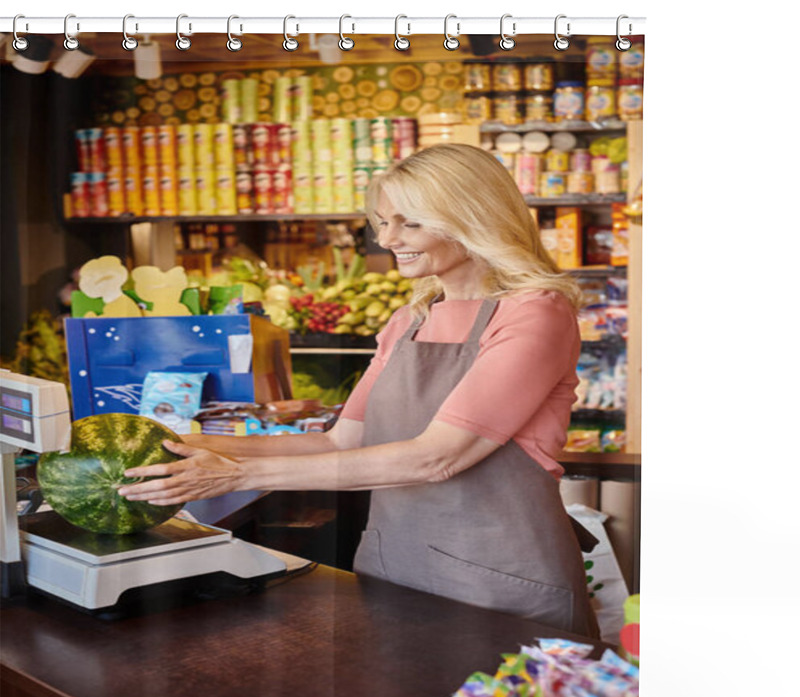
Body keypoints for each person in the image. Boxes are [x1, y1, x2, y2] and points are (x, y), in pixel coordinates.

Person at [119, 143, 598, 637]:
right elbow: (340, 441)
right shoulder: (409, 320)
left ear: (474, 219)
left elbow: (437, 458)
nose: (388, 238)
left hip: (499, 582)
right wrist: (190, 445)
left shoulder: (535, 313)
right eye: (383, 221)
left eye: (409, 222)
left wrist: (236, 475)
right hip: (397, 568)